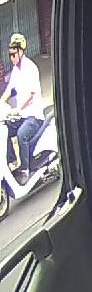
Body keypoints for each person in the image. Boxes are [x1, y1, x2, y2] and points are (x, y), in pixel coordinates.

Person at [4, 32, 44, 186]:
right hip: (21, 115)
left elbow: (31, 95)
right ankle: (12, 161)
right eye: (10, 55)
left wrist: (17, 109)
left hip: (34, 116)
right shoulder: (16, 70)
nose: (12, 58)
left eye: (14, 54)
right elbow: (9, 90)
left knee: (22, 135)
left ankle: (25, 170)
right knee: (5, 128)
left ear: (21, 52)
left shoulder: (30, 68)